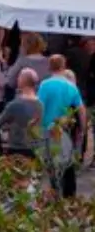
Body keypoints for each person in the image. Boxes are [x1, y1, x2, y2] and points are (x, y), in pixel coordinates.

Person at [38, 56, 87, 198]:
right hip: (66, 129)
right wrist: (83, 130)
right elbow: (81, 109)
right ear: (63, 66)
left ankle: (55, 192)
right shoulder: (71, 86)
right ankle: (70, 194)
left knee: (52, 163)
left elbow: (39, 107)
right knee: (68, 162)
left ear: (50, 66)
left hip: (48, 129)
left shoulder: (44, 85)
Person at [0, 69, 44, 157]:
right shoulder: (40, 105)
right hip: (35, 148)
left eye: (19, 77)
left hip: (17, 148)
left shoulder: (15, 104)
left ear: (22, 81)